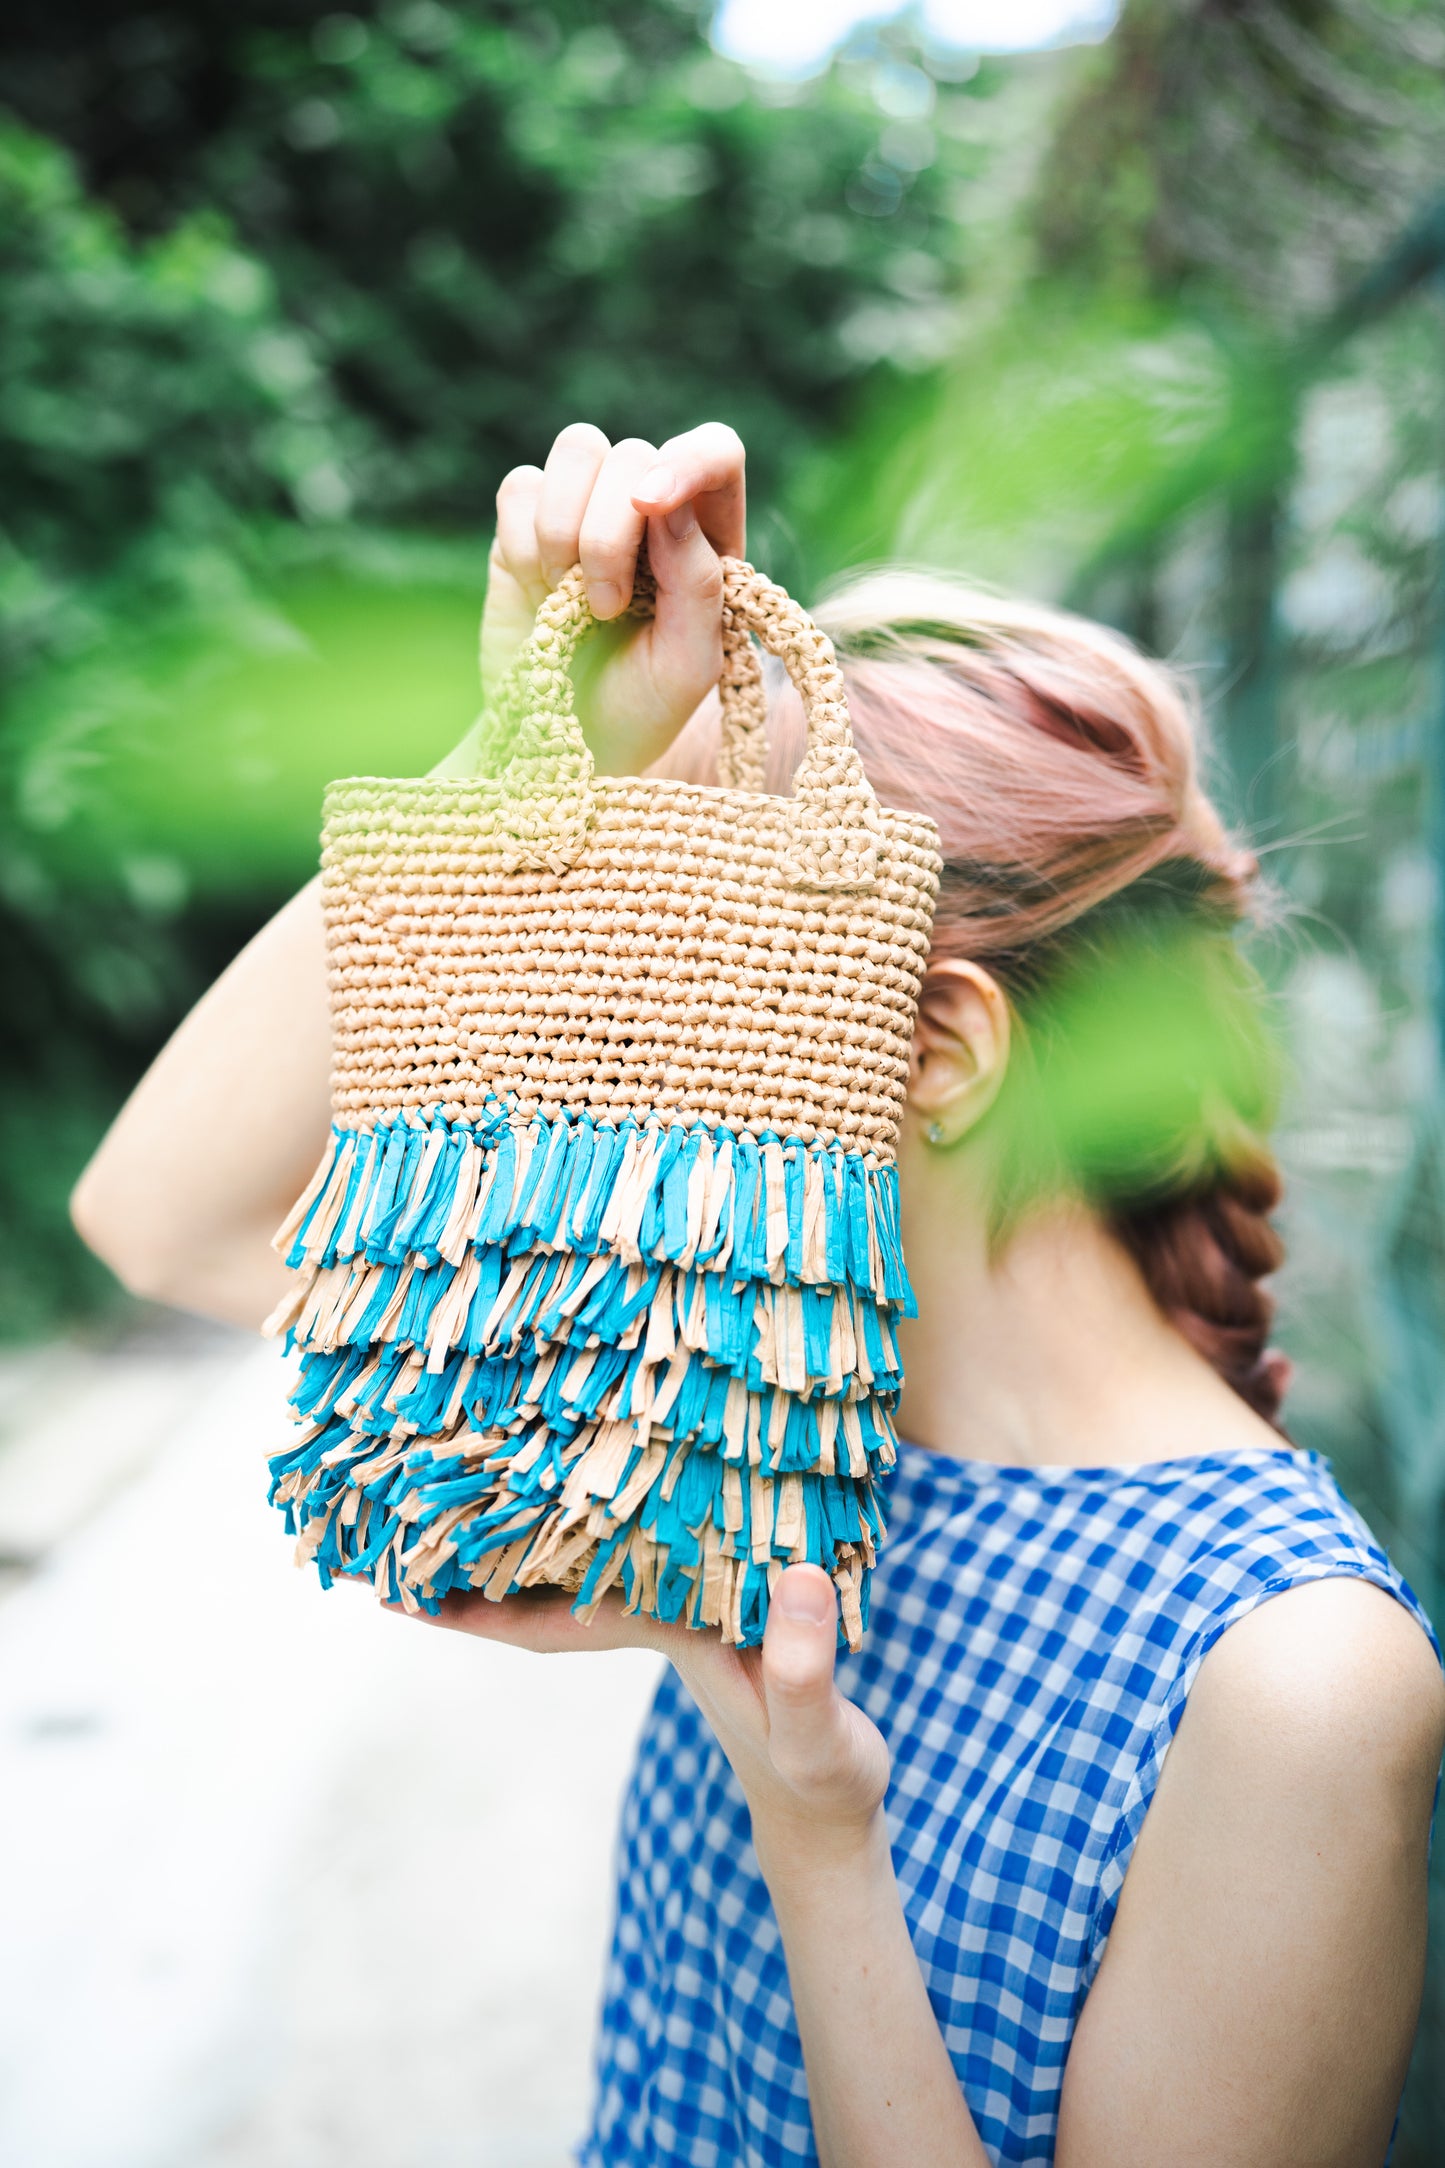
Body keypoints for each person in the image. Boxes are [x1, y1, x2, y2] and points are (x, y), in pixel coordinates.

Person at [73, 420, 1445, 2168]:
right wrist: (523, 769)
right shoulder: (761, 1409)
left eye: (696, 935)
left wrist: (819, 1839)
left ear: (938, 1046)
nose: (610, 1013)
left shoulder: (1288, 1674)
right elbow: (157, 1220)